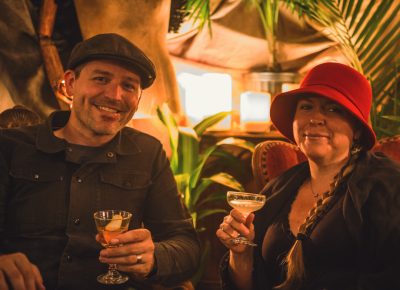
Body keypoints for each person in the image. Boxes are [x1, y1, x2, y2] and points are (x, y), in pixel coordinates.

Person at [0, 33, 200, 290]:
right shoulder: (10, 147)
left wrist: (153, 258)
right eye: (101, 79)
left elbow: (186, 244)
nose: (115, 96)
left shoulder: (147, 153)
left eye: (129, 86)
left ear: (138, 100)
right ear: (71, 83)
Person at [216, 62, 400, 290]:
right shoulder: (278, 190)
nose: (315, 118)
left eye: (333, 109)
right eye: (306, 107)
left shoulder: (388, 185)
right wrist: (240, 253)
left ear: (357, 129)